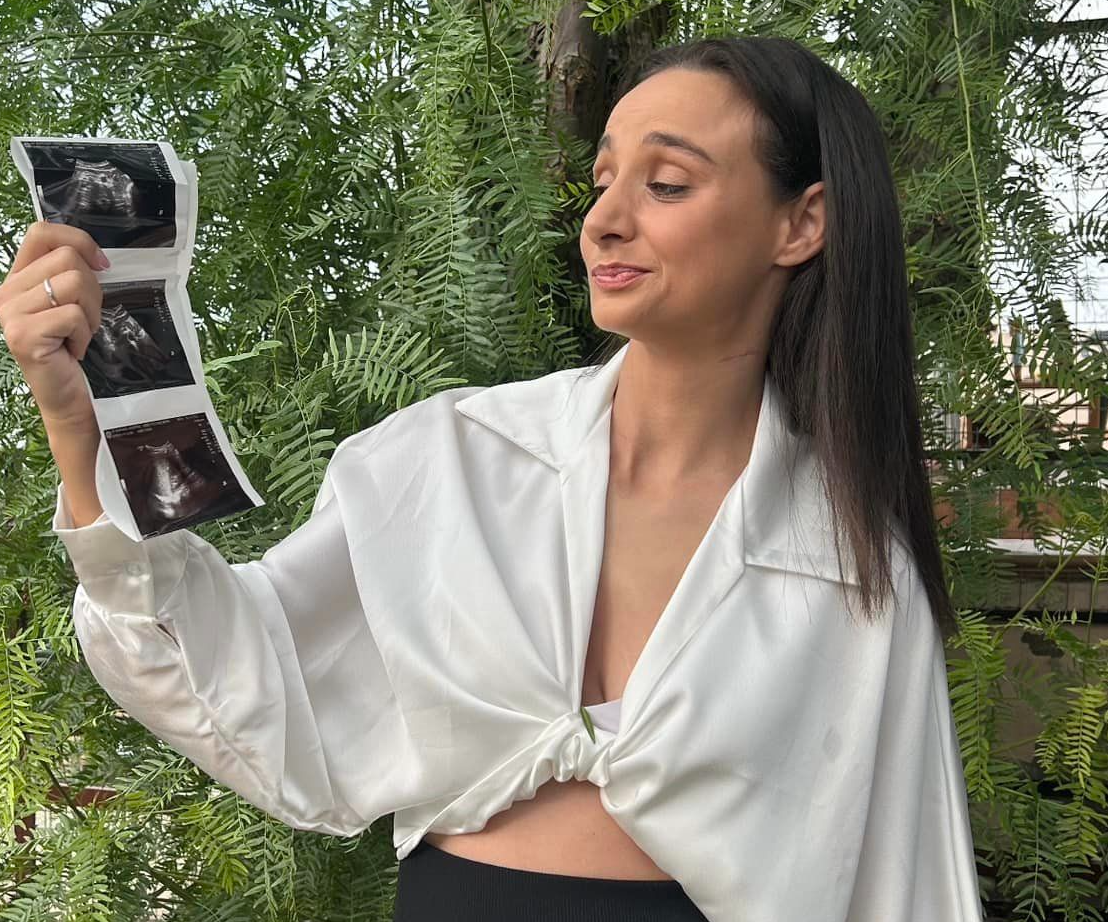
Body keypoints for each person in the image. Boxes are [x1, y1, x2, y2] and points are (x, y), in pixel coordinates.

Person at [0, 35, 984, 922]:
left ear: (801, 224)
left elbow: (904, 887)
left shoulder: (853, 563)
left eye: (666, 185)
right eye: (603, 181)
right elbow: (241, 676)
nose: (604, 222)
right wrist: (82, 436)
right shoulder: (453, 462)